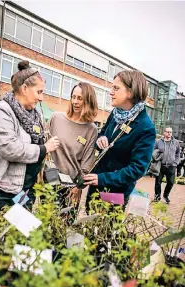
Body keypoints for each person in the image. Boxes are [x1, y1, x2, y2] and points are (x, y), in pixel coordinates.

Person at [0, 60, 60, 227]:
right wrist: (44, 148)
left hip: (22, 189)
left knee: (22, 232)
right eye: (39, 92)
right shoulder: (1, 111)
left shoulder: (35, 114)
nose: (42, 98)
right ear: (24, 89)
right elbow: (10, 149)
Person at [83, 70, 156, 208]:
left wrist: (103, 179)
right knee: (89, 218)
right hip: (96, 185)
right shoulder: (115, 114)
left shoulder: (146, 127)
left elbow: (137, 169)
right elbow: (103, 133)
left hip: (116, 191)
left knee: (106, 226)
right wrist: (101, 139)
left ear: (131, 92)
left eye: (116, 88)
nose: (111, 92)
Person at [48, 82, 98, 208]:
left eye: (80, 98)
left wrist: (78, 187)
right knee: (49, 219)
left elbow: (87, 164)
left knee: (67, 223)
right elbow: (43, 144)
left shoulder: (91, 129)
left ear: (88, 101)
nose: (75, 101)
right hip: (50, 175)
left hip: (72, 184)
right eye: (73, 97)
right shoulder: (56, 118)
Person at [154, 128, 180, 203]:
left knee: (170, 183)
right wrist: (156, 158)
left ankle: (166, 195)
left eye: (170, 132)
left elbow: (178, 153)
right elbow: (154, 150)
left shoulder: (176, 142)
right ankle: (157, 196)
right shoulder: (158, 142)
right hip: (160, 165)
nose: (169, 133)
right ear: (164, 132)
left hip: (171, 166)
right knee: (158, 182)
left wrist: (175, 163)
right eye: (167, 132)